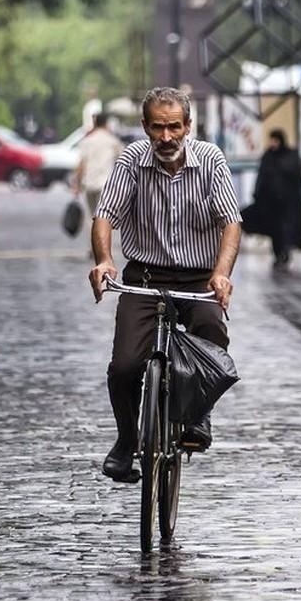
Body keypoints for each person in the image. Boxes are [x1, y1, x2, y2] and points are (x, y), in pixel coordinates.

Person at [88, 87, 242, 483]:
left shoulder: (210, 160)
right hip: (145, 277)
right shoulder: (131, 161)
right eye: (158, 127)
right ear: (145, 127)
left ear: (188, 126)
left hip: (199, 277)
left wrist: (221, 273)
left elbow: (230, 222)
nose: (167, 136)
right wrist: (104, 260)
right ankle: (127, 440)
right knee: (124, 366)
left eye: (175, 127)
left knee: (210, 333)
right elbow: (105, 215)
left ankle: (198, 415)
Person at [252, 128, 301, 270]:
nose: (272, 143)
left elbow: (295, 177)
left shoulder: (290, 156)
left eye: (275, 140)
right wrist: (258, 194)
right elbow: (261, 177)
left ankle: (285, 253)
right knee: (274, 231)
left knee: (286, 230)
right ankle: (278, 255)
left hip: (288, 203)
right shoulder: (268, 156)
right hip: (271, 203)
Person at [72, 112, 125, 216]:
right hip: (106, 185)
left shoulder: (87, 141)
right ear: (106, 123)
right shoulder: (113, 141)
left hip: (89, 184)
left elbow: (81, 165)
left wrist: (77, 185)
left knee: (93, 216)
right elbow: (124, 161)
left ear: (94, 123)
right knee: (105, 216)